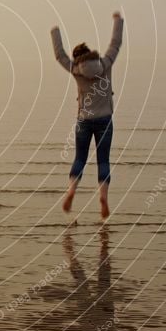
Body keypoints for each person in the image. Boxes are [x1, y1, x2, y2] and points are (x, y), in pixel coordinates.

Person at [51, 12, 124, 220]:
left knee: (80, 159)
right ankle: (103, 198)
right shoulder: (106, 63)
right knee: (103, 161)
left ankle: (71, 191)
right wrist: (117, 20)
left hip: (84, 120)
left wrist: (55, 32)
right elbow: (116, 43)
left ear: (77, 59)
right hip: (105, 119)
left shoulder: (76, 70)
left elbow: (59, 56)